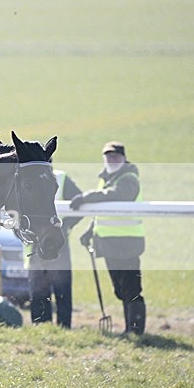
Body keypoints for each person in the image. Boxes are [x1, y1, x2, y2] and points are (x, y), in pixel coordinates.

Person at [70, 141, 146, 334]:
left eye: (116, 157)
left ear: (123, 158)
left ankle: (135, 331)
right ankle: (131, 329)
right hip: (109, 243)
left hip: (127, 243)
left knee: (131, 290)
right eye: (108, 157)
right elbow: (102, 211)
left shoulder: (129, 178)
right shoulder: (106, 179)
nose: (112, 160)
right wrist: (90, 232)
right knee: (120, 290)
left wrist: (86, 197)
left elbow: (118, 195)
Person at [25, 168, 82, 328]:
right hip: (36, 243)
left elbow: (80, 203)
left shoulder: (62, 178)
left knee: (62, 286)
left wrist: (65, 227)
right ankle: (41, 326)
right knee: (37, 287)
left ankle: (64, 326)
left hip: (58, 243)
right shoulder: (26, 179)